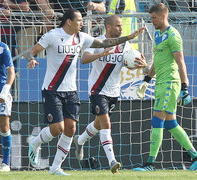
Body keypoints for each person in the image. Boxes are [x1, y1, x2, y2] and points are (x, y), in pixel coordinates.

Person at [26, 8, 144, 176]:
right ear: (69, 21)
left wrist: (129, 38)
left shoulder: (82, 38)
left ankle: (55, 167)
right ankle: (35, 142)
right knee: (57, 128)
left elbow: (104, 43)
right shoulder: (53, 35)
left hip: (71, 91)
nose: (82, 23)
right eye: (79, 21)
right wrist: (31, 59)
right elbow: (32, 50)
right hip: (52, 89)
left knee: (70, 129)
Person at [73, 15, 147, 174]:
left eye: (121, 26)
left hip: (114, 91)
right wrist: (101, 54)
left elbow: (128, 63)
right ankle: (112, 161)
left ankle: (80, 140)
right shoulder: (96, 41)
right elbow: (84, 59)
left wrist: (138, 65)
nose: (121, 28)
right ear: (108, 27)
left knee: (99, 124)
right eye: (118, 26)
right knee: (106, 124)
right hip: (97, 89)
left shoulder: (125, 45)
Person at [134, 3, 197, 171]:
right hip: (160, 82)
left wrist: (185, 87)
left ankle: (150, 163)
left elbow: (181, 61)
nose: (152, 21)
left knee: (157, 119)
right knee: (171, 124)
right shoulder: (157, 34)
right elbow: (157, 60)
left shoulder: (173, 35)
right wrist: (147, 79)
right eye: (150, 18)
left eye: (154, 18)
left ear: (163, 16)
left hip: (170, 82)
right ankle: (195, 156)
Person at [0, 20, 15, 172]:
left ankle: (6, 164)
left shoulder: (2, 48)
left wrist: (5, 91)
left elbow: (11, 72)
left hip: (0, 93)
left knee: (4, 127)